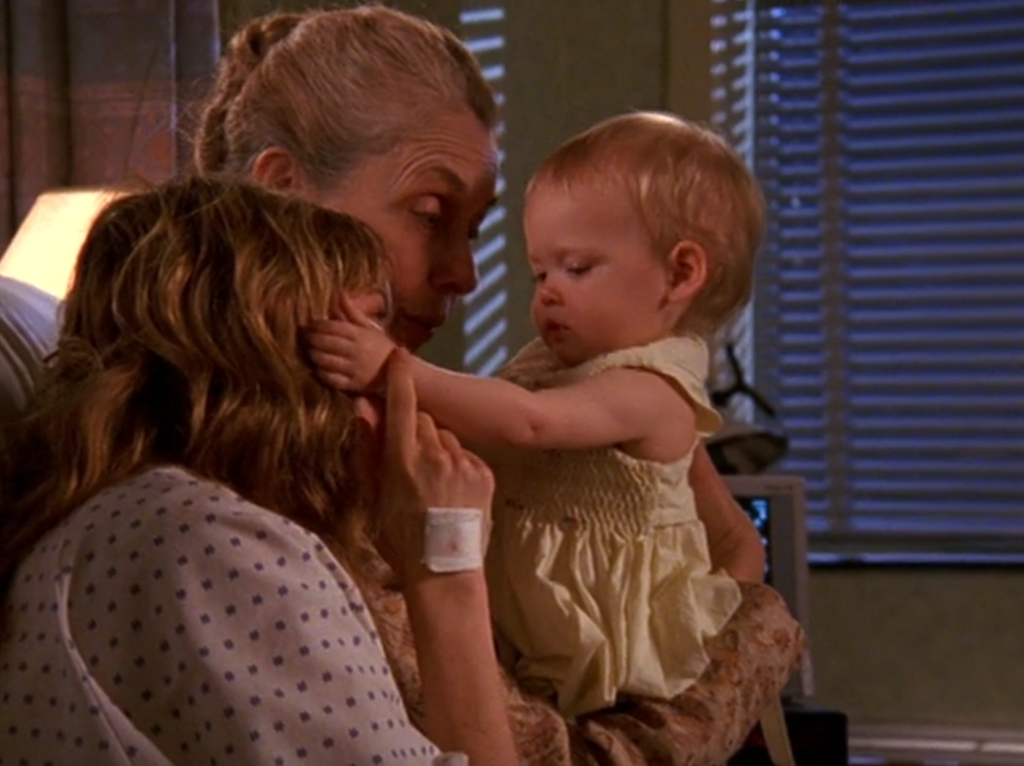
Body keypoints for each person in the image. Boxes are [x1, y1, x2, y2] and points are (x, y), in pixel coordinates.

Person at [0, 6, 803, 763]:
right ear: (281, 191)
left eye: (476, 231)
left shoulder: (399, 457)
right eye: (428, 213)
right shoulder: (239, 530)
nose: (467, 274)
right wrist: (751, 638)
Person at [0, 176, 518, 765]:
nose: (396, 383)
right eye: (365, 338)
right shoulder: (216, 545)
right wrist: (448, 566)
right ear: (282, 361)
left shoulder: (139, 520)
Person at [305, 111, 764, 719]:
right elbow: (491, 423)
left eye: (576, 269)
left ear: (680, 273)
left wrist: (393, 370)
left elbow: (530, 423)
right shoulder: (552, 362)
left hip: (604, 648)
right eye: (540, 272)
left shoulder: (654, 387)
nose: (547, 292)